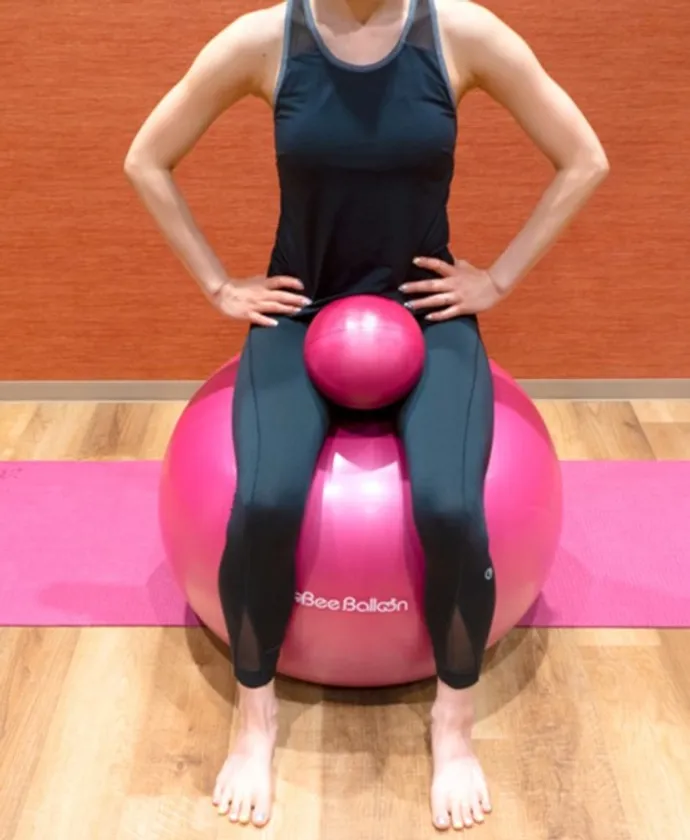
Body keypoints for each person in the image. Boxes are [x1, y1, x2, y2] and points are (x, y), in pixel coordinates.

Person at [125, 0, 608, 830]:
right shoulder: (265, 40)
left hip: (426, 314)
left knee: (452, 507)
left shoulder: (460, 34)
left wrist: (496, 280)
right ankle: (255, 719)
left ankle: (453, 724)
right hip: (301, 312)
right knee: (264, 501)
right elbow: (146, 158)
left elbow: (584, 158)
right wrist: (219, 285)